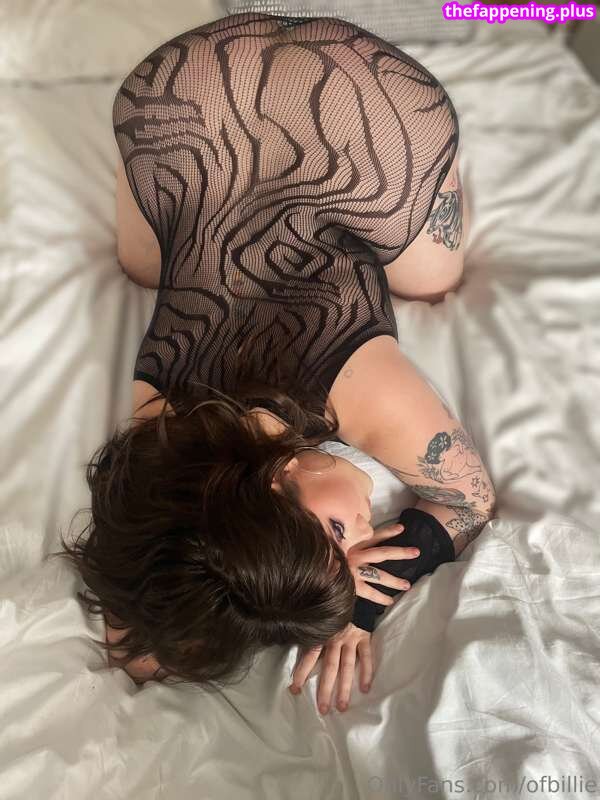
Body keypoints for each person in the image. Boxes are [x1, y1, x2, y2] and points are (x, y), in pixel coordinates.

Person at [53, 12, 496, 713]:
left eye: (343, 531)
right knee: (142, 265)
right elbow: (140, 632)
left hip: (364, 96)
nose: (367, 527)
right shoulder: (163, 443)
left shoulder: (358, 386)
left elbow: (472, 500)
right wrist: (311, 586)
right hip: (181, 84)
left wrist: (361, 609)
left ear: (278, 474)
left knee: (434, 282)